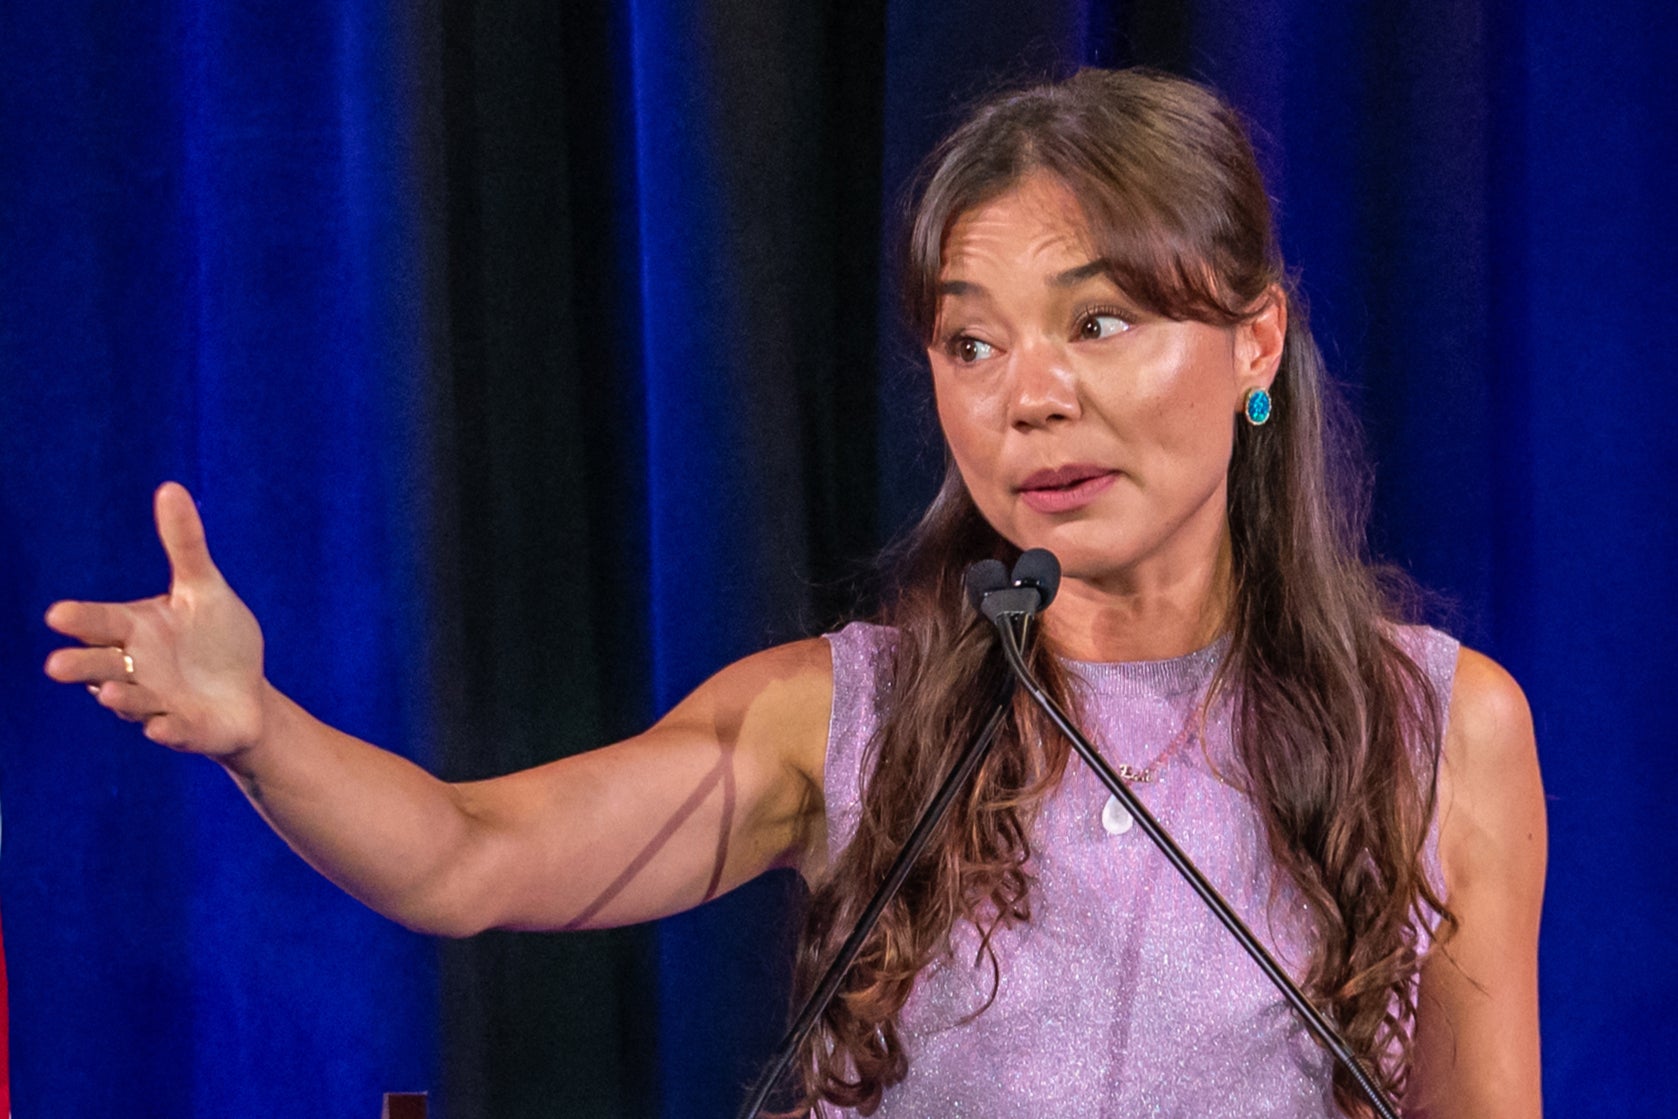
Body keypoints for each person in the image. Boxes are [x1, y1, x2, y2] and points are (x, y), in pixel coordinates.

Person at [43, 68, 1544, 1117]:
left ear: (1255, 343)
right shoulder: (846, 715)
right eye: (971, 344)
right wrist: (257, 728)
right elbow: (464, 858)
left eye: (1096, 322)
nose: (1028, 399)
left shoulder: (1439, 727)